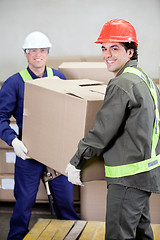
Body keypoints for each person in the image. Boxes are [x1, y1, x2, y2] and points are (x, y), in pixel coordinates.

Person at [65, 19, 160, 239]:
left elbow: (102, 132)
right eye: (104, 48)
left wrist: (76, 161)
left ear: (130, 51)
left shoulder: (122, 83)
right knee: (140, 233)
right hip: (143, 175)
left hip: (127, 178)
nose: (108, 54)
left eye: (115, 48)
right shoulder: (144, 79)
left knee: (119, 235)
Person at [0, 31, 80, 240]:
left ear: (47, 53)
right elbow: (0, 118)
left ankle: (72, 235)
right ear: (25, 54)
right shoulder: (14, 83)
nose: (38, 54)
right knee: (24, 201)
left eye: (42, 50)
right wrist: (13, 140)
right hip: (28, 150)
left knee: (65, 200)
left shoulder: (58, 78)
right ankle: (16, 236)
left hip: (57, 151)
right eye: (33, 50)